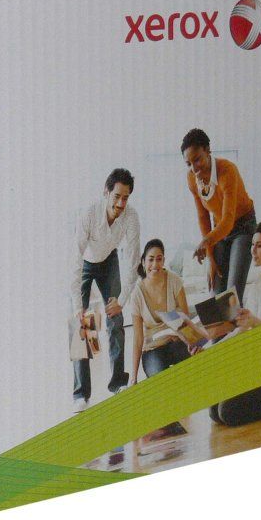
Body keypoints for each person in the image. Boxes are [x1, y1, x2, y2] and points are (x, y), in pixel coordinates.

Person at [70, 168, 140, 412]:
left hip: (109, 260)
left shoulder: (131, 217)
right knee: (83, 325)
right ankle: (81, 394)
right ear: (106, 192)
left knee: (116, 319)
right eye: (117, 196)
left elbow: (133, 261)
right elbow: (75, 262)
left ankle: (117, 382)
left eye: (125, 198)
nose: (120, 204)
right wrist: (78, 306)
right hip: (86, 263)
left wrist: (122, 299)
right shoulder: (88, 214)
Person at [210, 218, 261, 426]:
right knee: (214, 411)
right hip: (256, 360)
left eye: (259, 246)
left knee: (226, 412)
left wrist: (253, 321)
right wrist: (211, 349)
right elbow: (242, 330)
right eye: (252, 245)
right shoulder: (257, 281)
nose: (253, 251)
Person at [181, 128, 256, 302]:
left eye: (197, 159)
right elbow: (203, 217)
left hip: (243, 227)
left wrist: (206, 241)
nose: (194, 168)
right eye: (188, 164)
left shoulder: (227, 170)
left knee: (232, 294)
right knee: (216, 293)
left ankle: (237, 320)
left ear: (208, 150)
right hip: (218, 231)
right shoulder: (192, 179)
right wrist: (211, 257)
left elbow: (228, 219)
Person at [128, 239, 193, 385]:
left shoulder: (174, 280)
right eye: (151, 260)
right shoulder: (137, 294)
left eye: (159, 259)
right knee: (161, 385)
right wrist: (133, 377)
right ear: (143, 262)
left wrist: (191, 343)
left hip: (176, 342)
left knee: (192, 373)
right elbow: (138, 338)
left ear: (163, 261)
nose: (155, 264)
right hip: (153, 349)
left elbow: (186, 319)